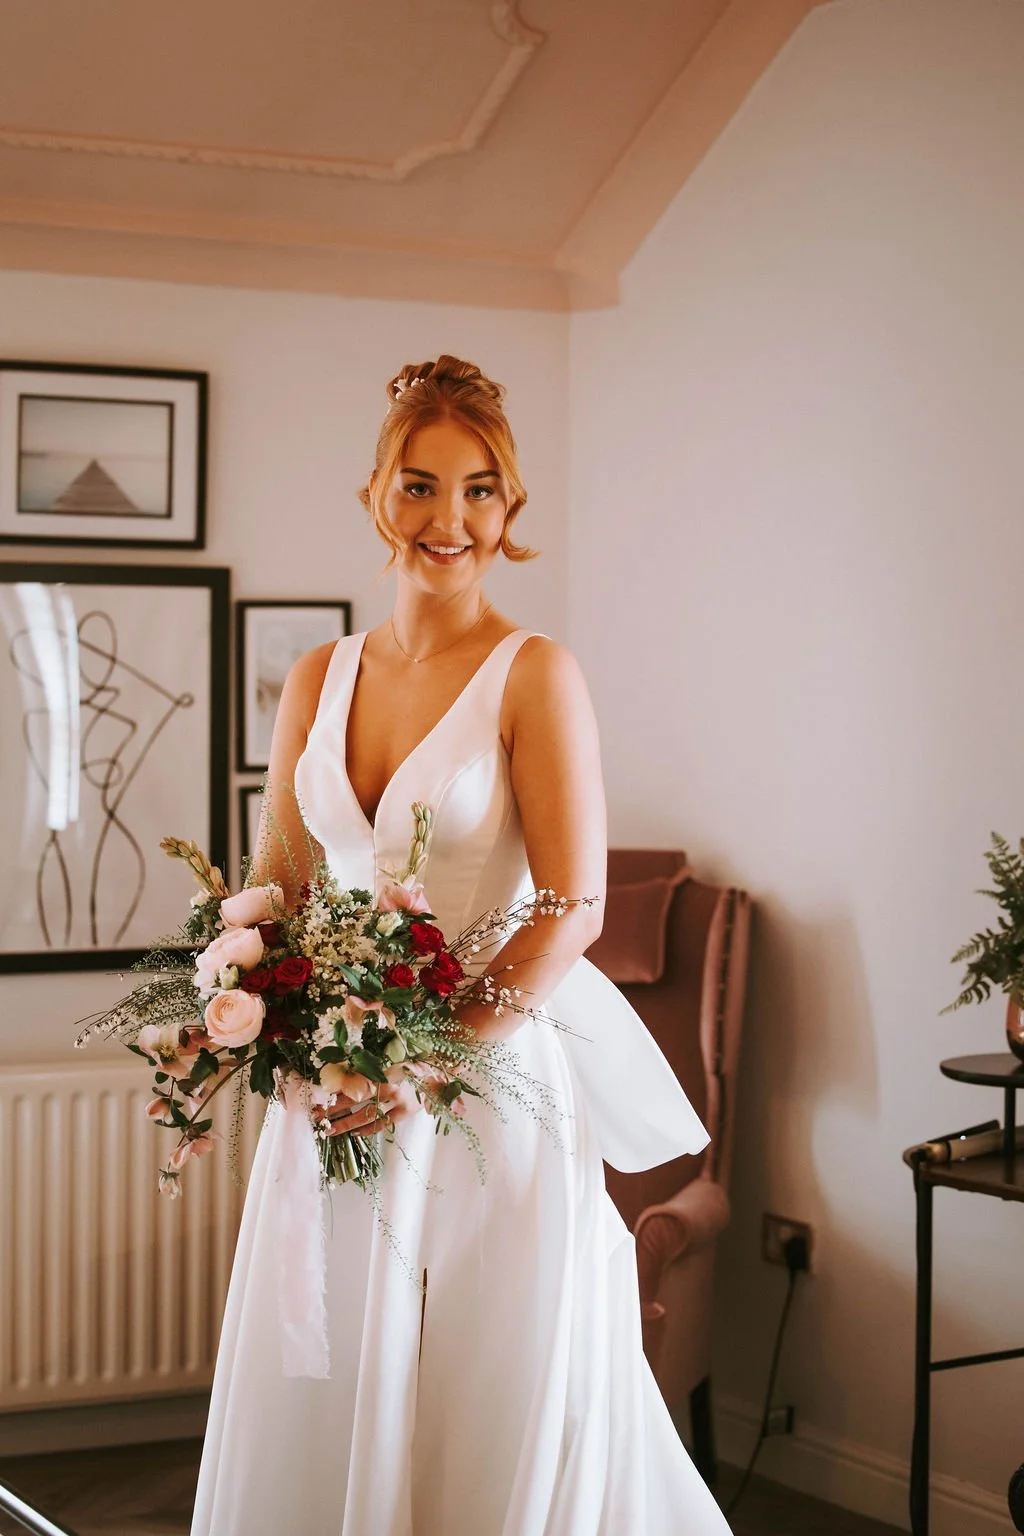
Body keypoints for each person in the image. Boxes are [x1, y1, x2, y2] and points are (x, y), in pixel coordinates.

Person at [190, 356, 732, 1535]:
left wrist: (423, 1059)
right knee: (336, 1381)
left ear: (511, 508)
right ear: (375, 493)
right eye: (422, 485)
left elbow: (569, 907)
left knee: (486, 1395)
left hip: (486, 1090)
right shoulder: (318, 678)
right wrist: (239, 995)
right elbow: (280, 885)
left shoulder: (535, 674)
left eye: (481, 490)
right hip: (334, 1092)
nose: (451, 519)